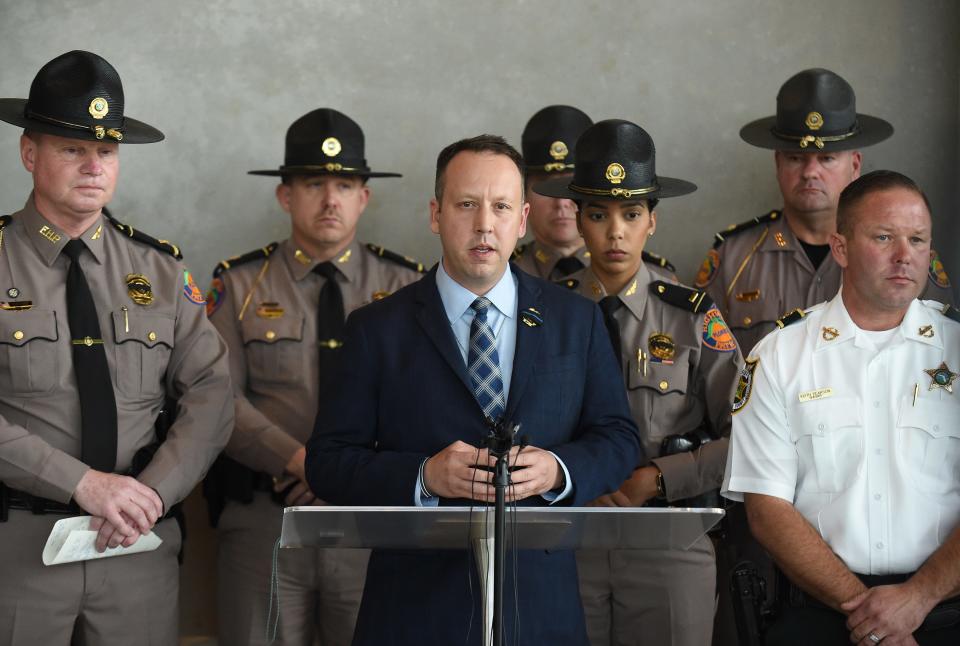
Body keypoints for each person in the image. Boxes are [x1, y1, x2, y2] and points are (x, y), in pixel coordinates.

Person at [305, 134, 641, 645]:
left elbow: (618, 438)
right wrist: (423, 476)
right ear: (436, 214)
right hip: (413, 606)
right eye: (467, 205)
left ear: (522, 219)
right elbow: (327, 461)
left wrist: (558, 470)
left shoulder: (576, 320)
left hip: (540, 601)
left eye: (501, 207)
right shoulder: (377, 328)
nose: (485, 224)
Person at [0, 50, 233, 645]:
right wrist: (81, 482)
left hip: (136, 548)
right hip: (17, 552)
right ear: (30, 154)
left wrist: (154, 491)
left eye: (105, 150)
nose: (92, 165)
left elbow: (211, 394)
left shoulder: (158, 267)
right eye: (72, 148)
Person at [204, 107, 424, 646]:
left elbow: (422, 406)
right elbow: (217, 400)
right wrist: (303, 462)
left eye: (345, 184)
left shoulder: (408, 287)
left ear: (364, 197)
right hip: (265, 522)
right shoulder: (239, 283)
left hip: (373, 522)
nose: (330, 199)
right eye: (314, 183)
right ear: (285, 195)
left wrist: (348, 473)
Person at [722, 170, 960, 646]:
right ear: (841, 248)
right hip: (822, 613)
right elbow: (767, 508)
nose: (904, 255)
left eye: (917, 240)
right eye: (884, 237)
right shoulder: (778, 357)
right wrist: (871, 615)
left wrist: (916, 599)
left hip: (944, 610)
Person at [536, 119, 743, 646]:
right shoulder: (540, 315)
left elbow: (749, 436)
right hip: (566, 538)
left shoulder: (690, 316)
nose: (615, 232)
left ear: (652, 220)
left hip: (668, 540)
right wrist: (577, 475)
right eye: (599, 215)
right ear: (579, 221)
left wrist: (658, 477)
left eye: (631, 214)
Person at [693, 68, 953, 356]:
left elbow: (940, 350)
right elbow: (706, 371)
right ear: (778, 164)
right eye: (795, 158)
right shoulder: (734, 256)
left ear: (855, 165)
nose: (810, 172)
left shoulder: (904, 257)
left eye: (827, 158)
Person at [513, 105, 677, 282]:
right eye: (545, 187)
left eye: (570, 187)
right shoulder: (504, 274)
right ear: (524, 195)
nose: (561, 202)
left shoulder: (656, 276)